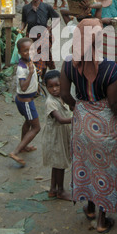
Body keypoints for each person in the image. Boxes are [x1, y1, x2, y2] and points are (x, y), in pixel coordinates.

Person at [60, 18, 117, 234]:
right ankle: (102, 219)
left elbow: (65, 94)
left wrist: (80, 108)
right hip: (105, 124)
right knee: (106, 168)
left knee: (86, 165)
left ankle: (90, 208)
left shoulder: (69, 63)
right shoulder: (110, 67)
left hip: (82, 122)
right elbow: (113, 103)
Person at [9, 37, 40, 166]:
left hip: (24, 100)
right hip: (26, 102)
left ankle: (23, 146)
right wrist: (31, 73)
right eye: (25, 50)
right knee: (36, 127)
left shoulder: (29, 61)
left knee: (28, 122)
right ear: (20, 53)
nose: (29, 52)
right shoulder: (22, 68)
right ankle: (15, 152)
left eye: (31, 49)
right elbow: (23, 87)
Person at [42, 70, 72, 201]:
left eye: (57, 85)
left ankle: (53, 189)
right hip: (55, 137)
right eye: (50, 86)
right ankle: (61, 191)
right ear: (46, 87)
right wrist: (77, 118)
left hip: (61, 134)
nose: (54, 89)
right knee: (60, 164)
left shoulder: (63, 96)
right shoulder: (51, 102)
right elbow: (60, 119)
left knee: (57, 162)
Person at [20, 0, 60, 77]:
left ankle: (42, 76)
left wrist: (50, 27)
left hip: (43, 36)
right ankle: (35, 76)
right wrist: (21, 29)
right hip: (30, 37)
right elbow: (24, 21)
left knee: (43, 57)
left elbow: (57, 18)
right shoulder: (26, 8)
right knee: (32, 57)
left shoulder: (46, 7)